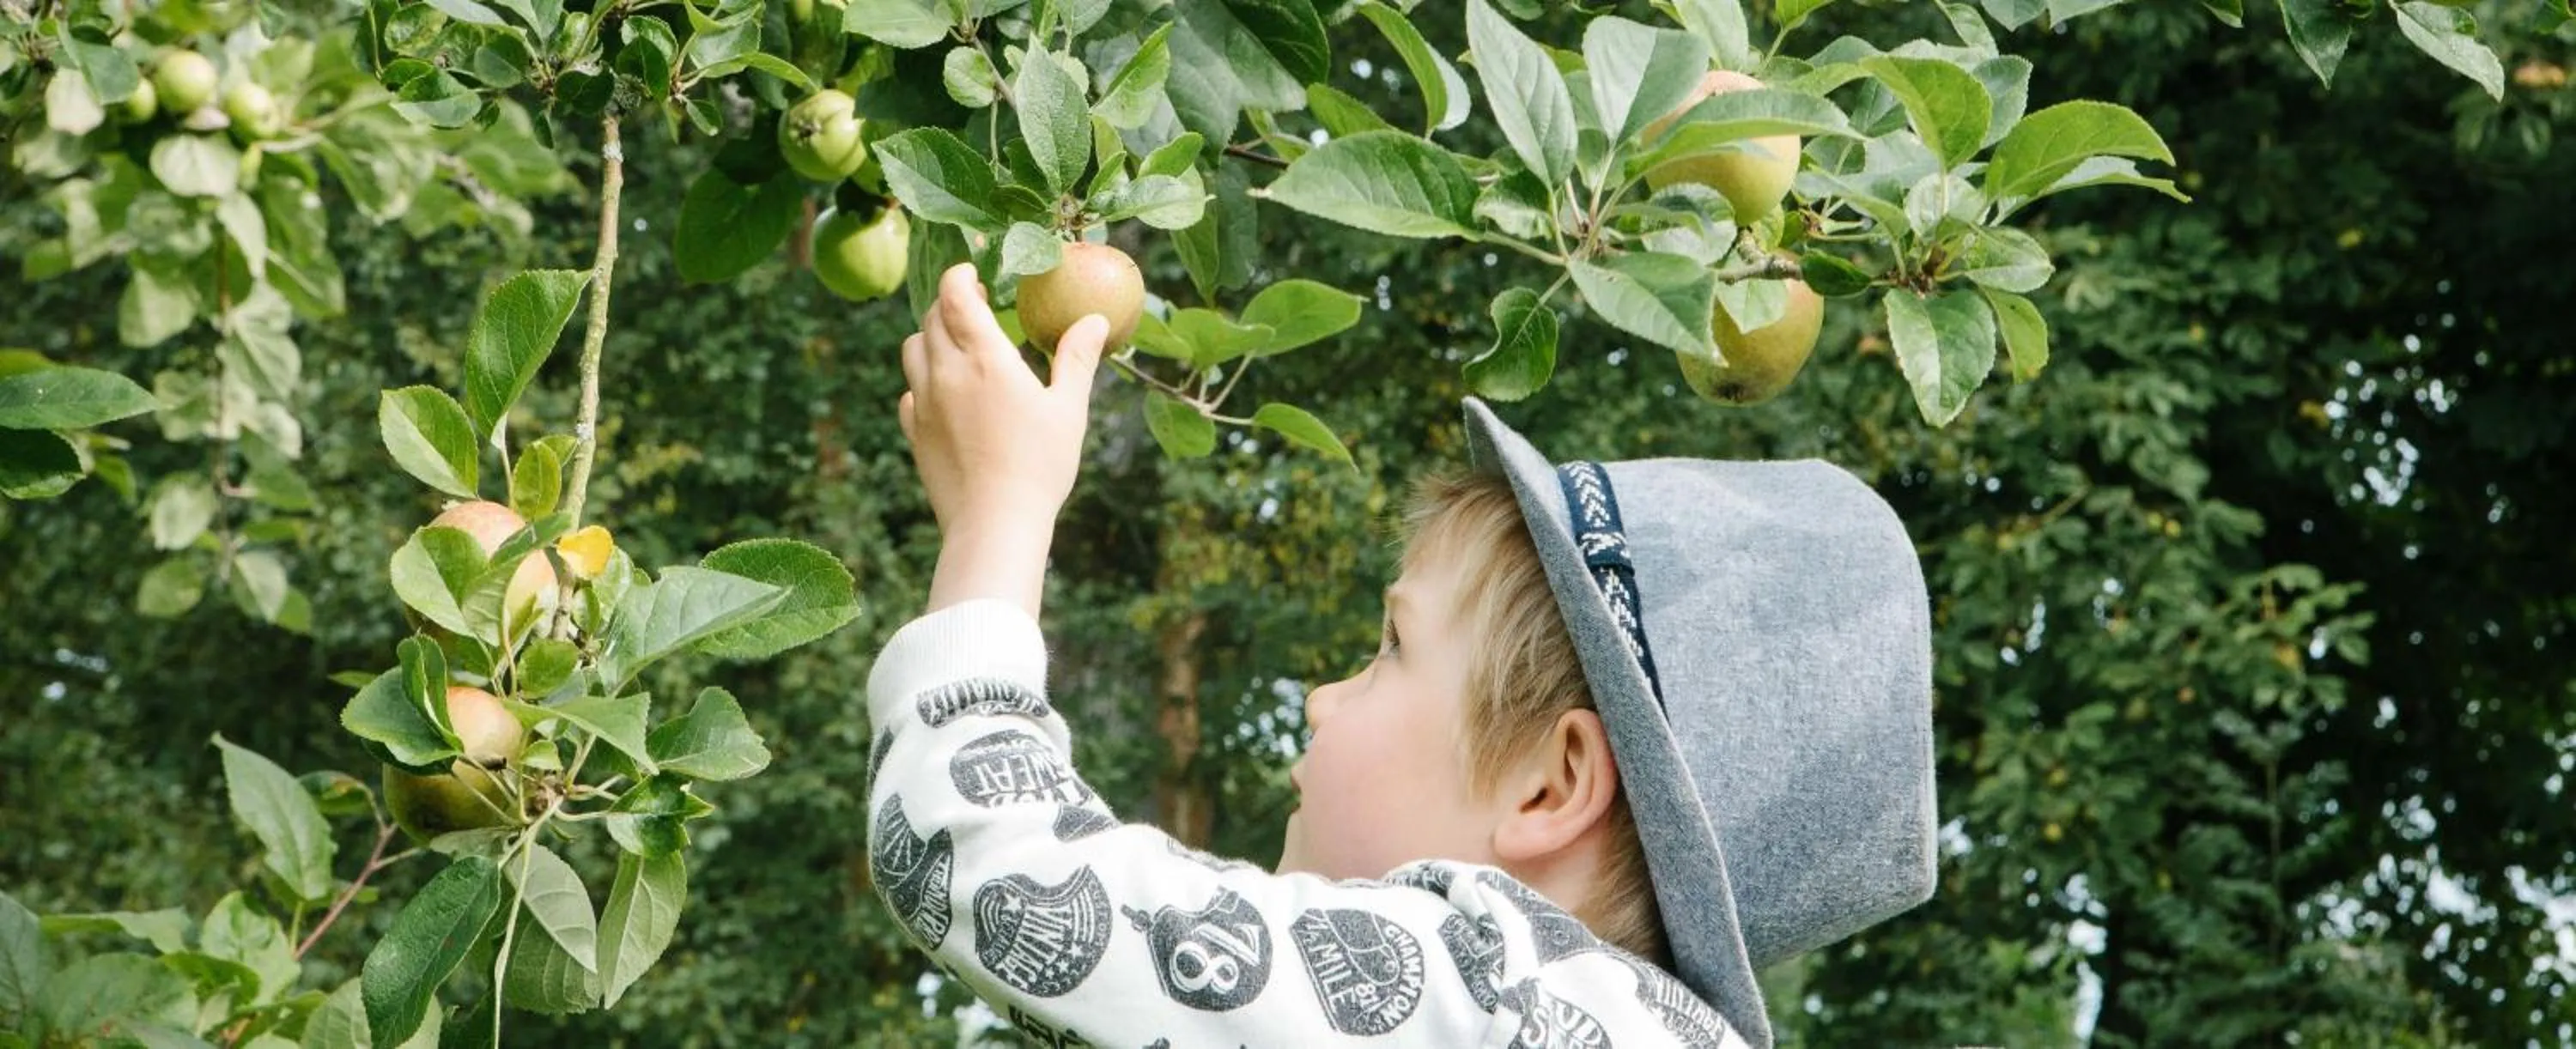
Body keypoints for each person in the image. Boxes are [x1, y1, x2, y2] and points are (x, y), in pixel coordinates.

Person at [865, 263, 1937, 1047]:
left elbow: (998, 865)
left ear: (1551, 783)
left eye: (1390, 650)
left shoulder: (1499, 988)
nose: (1326, 698)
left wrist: (1000, 514)